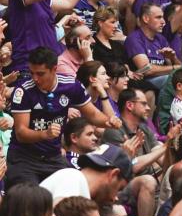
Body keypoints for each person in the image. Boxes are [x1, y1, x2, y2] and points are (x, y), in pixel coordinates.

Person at [8, 48, 120, 187]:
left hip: (53, 157)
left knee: (76, 191)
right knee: (33, 198)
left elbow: (92, 114)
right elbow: (21, 133)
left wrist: (108, 121)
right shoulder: (23, 91)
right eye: (32, 73)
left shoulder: (71, 86)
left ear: (54, 69)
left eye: (40, 73)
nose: (35, 78)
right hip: (24, 158)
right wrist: (44, 134)